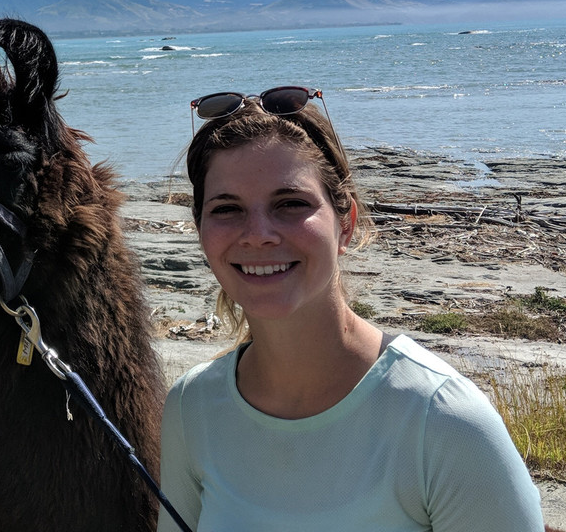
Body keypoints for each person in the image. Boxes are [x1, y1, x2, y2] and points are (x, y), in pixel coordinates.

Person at [157, 86, 546, 532]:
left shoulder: (443, 421)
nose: (258, 233)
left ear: (346, 223)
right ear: (201, 230)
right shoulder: (193, 408)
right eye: (227, 209)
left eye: (291, 204)